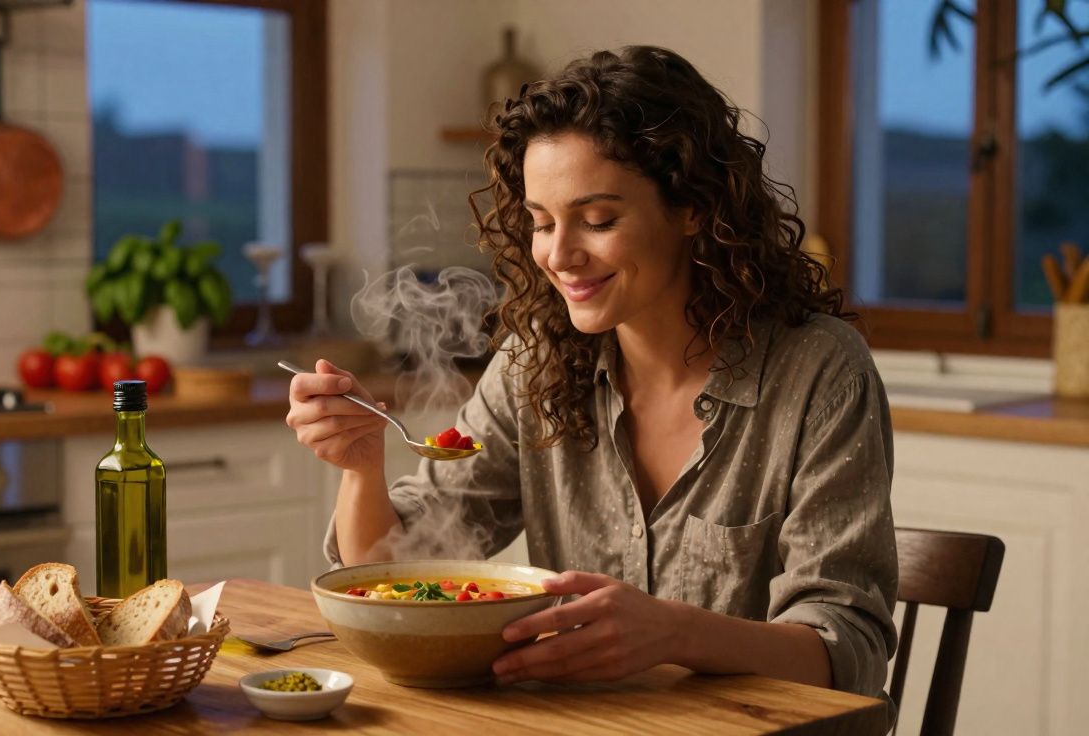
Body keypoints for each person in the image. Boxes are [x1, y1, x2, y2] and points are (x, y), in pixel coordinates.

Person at [285, 46, 896, 698]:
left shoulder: (818, 373)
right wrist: (360, 467)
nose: (559, 255)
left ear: (693, 207)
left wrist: (677, 633)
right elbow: (392, 574)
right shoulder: (533, 365)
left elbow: (847, 652)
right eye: (542, 223)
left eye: (598, 220)